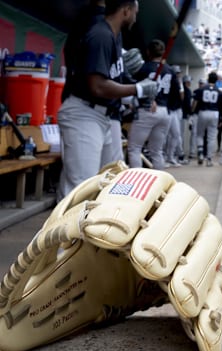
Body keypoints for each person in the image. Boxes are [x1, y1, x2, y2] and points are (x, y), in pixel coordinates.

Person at [57, 0, 158, 201]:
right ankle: (64, 231)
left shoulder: (114, 35)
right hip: (83, 112)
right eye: (135, 13)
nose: (136, 18)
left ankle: (88, 228)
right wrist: (138, 89)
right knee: (81, 186)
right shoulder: (100, 34)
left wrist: (135, 96)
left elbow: (112, 82)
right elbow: (98, 86)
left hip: (103, 115)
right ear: (126, 11)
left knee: (110, 179)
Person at [126, 39, 175, 169]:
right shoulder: (170, 69)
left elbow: (133, 88)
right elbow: (175, 94)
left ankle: (136, 184)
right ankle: (160, 185)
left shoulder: (143, 68)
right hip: (164, 110)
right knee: (157, 151)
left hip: (147, 109)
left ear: (148, 52)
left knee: (135, 148)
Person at [192, 72, 222, 166]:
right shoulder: (218, 91)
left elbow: (195, 102)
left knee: (200, 134)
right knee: (211, 137)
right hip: (214, 113)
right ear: (216, 80)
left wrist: (192, 112)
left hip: (203, 112)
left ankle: (201, 152)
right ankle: (209, 159)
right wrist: (221, 119)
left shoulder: (201, 89)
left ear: (208, 79)